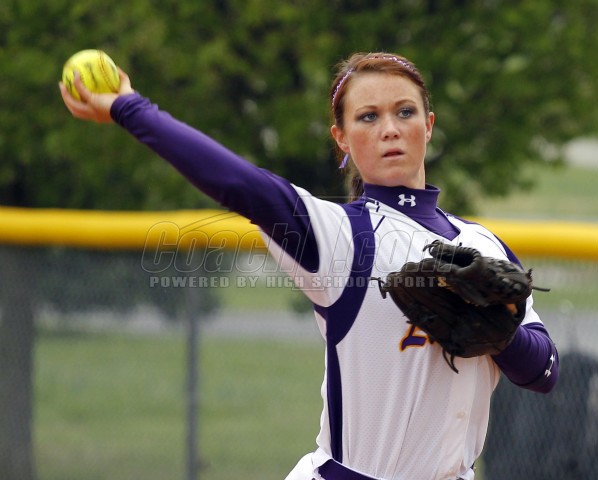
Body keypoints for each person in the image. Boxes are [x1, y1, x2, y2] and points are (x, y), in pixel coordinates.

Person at [60, 51, 559, 480]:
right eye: (368, 117)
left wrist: (502, 336)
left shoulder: (482, 245)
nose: (389, 129)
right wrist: (131, 107)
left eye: (405, 112)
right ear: (341, 138)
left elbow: (544, 372)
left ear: (428, 125)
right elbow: (237, 182)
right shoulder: (338, 236)